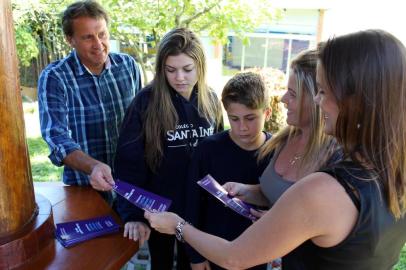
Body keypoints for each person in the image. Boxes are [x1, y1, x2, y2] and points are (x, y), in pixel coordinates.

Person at [144, 29, 406, 270]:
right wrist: (256, 194)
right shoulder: (393, 168)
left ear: (355, 102)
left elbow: (234, 257)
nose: (318, 101)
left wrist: (178, 225)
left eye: (323, 92)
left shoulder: (323, 190)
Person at [114, 28, 223, 270]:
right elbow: (128, 163)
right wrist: (132, 215)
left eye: (187, 69)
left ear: (201, 67)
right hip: (158, 209)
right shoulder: (146, 103)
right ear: (162, 69)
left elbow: (218, 156)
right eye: (171, 70)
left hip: (198, 209)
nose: (180, 77)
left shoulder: (212, 101)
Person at [223, 49, 339, 269]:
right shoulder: (285, 138)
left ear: (317, 99)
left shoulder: (334, 156)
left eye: (293, 94)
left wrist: (279, 223)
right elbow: (278, 194)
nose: (284, 99)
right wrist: (248, 191)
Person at [38, 0, 141, 197]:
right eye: (87, 37)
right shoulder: (55, 77)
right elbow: (56, 137)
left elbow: (142, 122)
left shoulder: (128, 66)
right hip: (85, 189)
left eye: (102, 34)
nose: (98, 44)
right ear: (70, 39)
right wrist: (93, 167)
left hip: (131, 185)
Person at [185, 72, 272, 270]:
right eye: (234, 119)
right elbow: (192, 205)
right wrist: (196, 256)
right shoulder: (208, 150)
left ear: (267, 113)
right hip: (214, 251)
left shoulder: (279, 152)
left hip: (262, 253)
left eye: (250, 118)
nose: (242, 127)